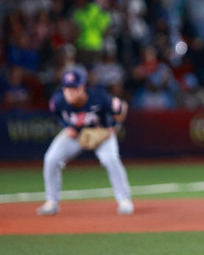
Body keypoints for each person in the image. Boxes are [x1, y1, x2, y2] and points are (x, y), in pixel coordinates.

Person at [37, 67, 134, 216]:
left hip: (100, 134)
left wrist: (113, 127)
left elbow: (122, 107)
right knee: (51, 159)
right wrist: (68, 127)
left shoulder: (99, 96)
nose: (70, 91)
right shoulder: (57, 102)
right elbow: (59, 116)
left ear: (82, 87)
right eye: (67, 88)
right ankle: (51, 202)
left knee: (111, 159)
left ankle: (124, 200)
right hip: (76, 135)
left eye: (74, 88)